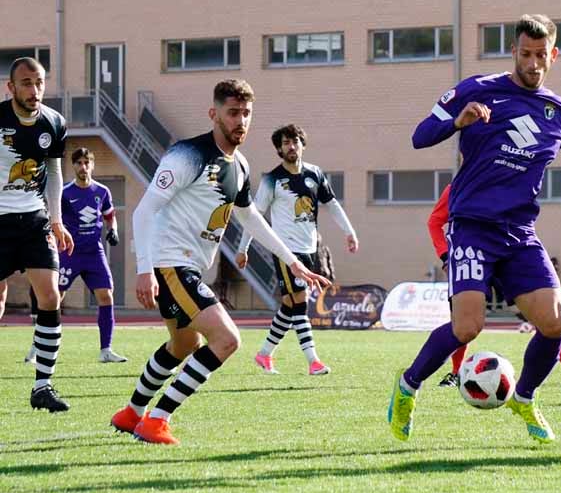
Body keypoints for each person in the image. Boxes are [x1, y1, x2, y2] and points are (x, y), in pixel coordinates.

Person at [389, 14, 561, 444]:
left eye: (542, 55)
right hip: (471, 227)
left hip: (519, 234)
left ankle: (524, 397)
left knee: (555, 321)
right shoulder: (476, 90)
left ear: (553, 55)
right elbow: (419, 137)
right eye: (526, 54)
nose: (534, 63)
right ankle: (407, 387)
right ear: (514, 52)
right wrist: (456, 123)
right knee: (467, 328)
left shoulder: (560, 112)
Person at [109, 80, 329, 445]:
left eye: (246, 114)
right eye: (232, 113)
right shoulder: (187, 155)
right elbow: (144, 210)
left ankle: (131, 413)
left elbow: (251, 218)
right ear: (214, 114)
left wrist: (293, 262)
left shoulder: (240, 165)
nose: (240, 121)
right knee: (226, 339)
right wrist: (145, 268)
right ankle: (156, 421)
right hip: (169, 264)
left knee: (183, 346)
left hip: (188, 267)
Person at [427, 185, 561, 389]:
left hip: (506, 262)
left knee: (545, 321)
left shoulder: (509, 180)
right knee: (464, 323)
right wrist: (447, 256)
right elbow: (435, 222)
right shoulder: (458, 187)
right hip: (469, 260)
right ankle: (456, 374)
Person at [236, 124, 358, 375]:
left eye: (295, 141)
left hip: (309, 248)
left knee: (291, 306)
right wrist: (242, 248)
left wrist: (349, 231)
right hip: (285, 251)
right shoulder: (272, 179)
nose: (291, 146)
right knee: (300, 303)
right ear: (279, 149)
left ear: (303, 144)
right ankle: (313, 361)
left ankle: (264, 354)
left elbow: (332, 204)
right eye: (285, 143)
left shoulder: (315, 174)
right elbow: (254, 217)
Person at [0, 58, 74, 412]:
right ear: (10, 87)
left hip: (34, 221)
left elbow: (56, 173)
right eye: (26, 83)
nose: (34, 90)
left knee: (49, 295)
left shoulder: (55, 122)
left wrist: (56, 220)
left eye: (39, 82)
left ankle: (42, 386)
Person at [23, 147, 126, 364]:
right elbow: (53, 217)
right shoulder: (65, 193)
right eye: (78, 163)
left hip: (94, 253)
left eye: (86, 162)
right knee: (53, 300)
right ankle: (35, 348)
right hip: (69, 253)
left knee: (106, 296)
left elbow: (110, 215)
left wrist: (113, 230)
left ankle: (106, 350)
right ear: (74, 166)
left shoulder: (102, 191)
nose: (83, 167)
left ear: (92, 165)